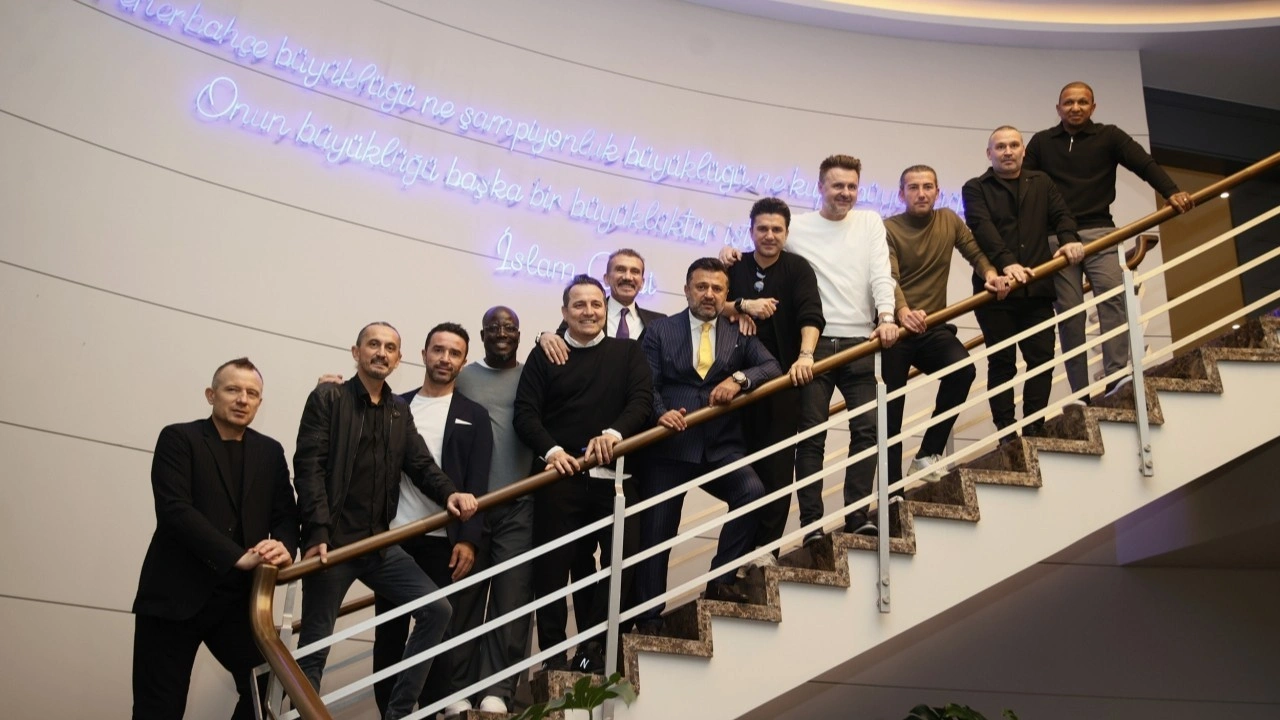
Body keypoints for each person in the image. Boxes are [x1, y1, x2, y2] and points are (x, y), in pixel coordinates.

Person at [294, 322, 478, 720]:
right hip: (332, 546)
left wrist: (450, 493)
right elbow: (309, 468)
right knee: (314, 649)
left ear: (398, 359)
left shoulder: (398, 410)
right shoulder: (329, 397)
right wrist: (317, 532)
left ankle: (397, 714)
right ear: (356, 352)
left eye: (390, 347)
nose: (381, 352)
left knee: (437, 610)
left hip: (378, 543)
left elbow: (421, 464)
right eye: (373, 344)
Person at [727, 155, 901, 540]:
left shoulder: (870, 222)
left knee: (868, 430)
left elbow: (881, 273)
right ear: (821, 187)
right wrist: (730, 255)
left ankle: (858, 514)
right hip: (814, 348)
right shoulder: (798, 229)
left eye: (852, 186)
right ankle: (812, 525)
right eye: (838, 185)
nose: (845, 193)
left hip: (861, 343)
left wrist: (887, 316)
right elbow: (763, 249)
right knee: (810, 437)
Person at [132, 358, 299, 720]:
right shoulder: (179, 438)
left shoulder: (270, 451)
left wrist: (283, 546)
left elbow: (286, 514)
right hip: (173, 596)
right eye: (232, 390)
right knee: (158, 708)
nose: (242, 399)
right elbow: (175, 510)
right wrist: (236, 556)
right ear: (211, 395)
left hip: (238, 601)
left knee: (269, 686)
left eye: (252, 393)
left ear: (259, 402)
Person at [513, 276, 654, 673]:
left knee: (619, 567)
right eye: (579, 305)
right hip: (560, 480)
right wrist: (553, 451)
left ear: (606, 310)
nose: (588, 312)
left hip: (616, 481)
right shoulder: (546, 355)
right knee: (552, 572)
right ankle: (554, 659)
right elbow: (525, 413)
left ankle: (593, 648)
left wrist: (614, 434)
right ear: (564, 312)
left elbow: (641, 401)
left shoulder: (628, 352)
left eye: (596, 304)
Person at [633, 258, 780, 631]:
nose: (709, 294)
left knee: (751, 492)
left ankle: (720, 581)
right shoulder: (659, 330)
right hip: (670, 446)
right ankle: (648, 619)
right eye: (701, 287)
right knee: (656, 534)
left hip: (721, 444)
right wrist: (660, 414)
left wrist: (739, 379)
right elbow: (646, 385)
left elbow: (771, 368)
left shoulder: (739, 331)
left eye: (717, 289)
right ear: (686, 290)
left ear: (726, 294)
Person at [1025, 81, 1194, 398]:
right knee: (1071, 315)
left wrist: (1171, 191)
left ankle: (1116, 379)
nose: (1076, 107)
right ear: (1058, 108)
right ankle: (1080, 393)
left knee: (1114, 301)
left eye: (1083, 102)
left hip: (1100, 233)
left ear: (1093, 107)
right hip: (1056, 241)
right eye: (1069, 102)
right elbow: (1023, 190)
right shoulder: (1042, 142)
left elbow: (1144, 163)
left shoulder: (1110, 136)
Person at [371, 323, 492, 717]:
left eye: (454, 353)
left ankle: (433, 710)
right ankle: (390, 712)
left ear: (464, 362)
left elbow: (477, 481)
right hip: (392, 539)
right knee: (389, 634)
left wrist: (469, 538)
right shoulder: (394, 405)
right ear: (423, 355)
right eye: (438, 350)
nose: (445, 358)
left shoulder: (475, 415)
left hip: (445, 541)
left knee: (439, 630)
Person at [884, 165, 1010, 485]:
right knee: (890, 412)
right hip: (896, 331)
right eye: (913, 187)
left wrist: (991, 275)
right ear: (901, 194)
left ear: (938, 192)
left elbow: (974, 252)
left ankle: (927, 455)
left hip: (932, 327)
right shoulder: (888, 228)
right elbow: (888, 277)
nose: (921, 193)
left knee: (962, 370)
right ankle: (893, 491)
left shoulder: (949, 220)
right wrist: (902, 311)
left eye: (928, 187)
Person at [963, 127, 1084, 440]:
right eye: (1000, 146)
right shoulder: (975, 187)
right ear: (989, 153)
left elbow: (1063, 215)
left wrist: (1069, 239)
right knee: (1002, 363)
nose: (1007, 151)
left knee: (1041, 359)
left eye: (1013, 145)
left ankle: (1033, 428)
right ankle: (1006, 433)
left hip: (1037, 289)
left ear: (1023, 151)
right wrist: (1007, 262)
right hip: (996, 292)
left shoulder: (1041, 181)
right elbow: (982, 229)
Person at [722, 197, 824, 558]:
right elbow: (710, 304)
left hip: (781, 384)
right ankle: (737, 556)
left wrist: (806, 356)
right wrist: (742, 306)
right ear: (751, 231)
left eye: (776, 229)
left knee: (778, 471)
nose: (769, 235)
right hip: (733, 386)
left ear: (786, 233)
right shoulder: (734, 266)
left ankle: (766, 552)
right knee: (742, 475)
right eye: (762, 228)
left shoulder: (798, 268)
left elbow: (811, 315)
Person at [450, 306, 537, 715]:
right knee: (463, 600)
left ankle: (497, 691)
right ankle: (456, 691)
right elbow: (425, 403)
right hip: (471, 509)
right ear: (482, 335)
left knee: (511, 598)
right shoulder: (463, 376)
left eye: (509, 327)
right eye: (493, 328)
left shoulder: (532, 374)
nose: (502, 333)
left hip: (519, 505)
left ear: (519, 334)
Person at [537, 248, 664, 362]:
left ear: (642, 283)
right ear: (606, 279)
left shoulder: (659, 322)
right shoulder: (586, 314)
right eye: (620, 270)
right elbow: (558, 339)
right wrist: (542, 336)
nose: (627, 277)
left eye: (635, 272)